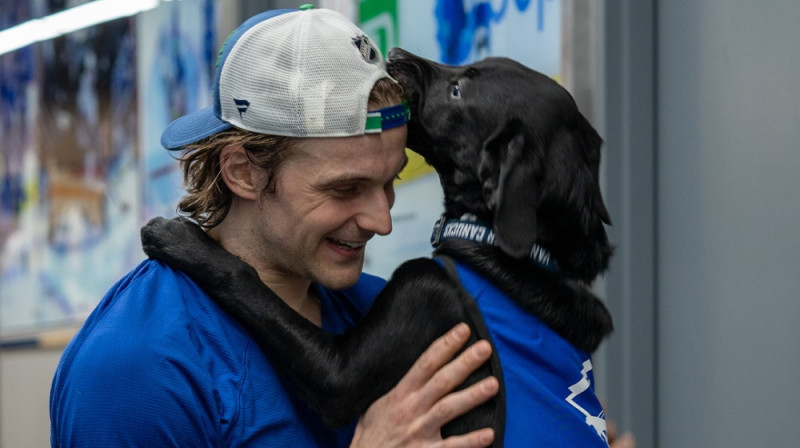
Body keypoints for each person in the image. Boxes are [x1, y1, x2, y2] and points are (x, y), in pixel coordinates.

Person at [50, 7, 498, 448]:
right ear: (243, 172)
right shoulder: (137, 369)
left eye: (390, 180)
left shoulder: (378, 311)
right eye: (346, 189)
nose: (382, 222)